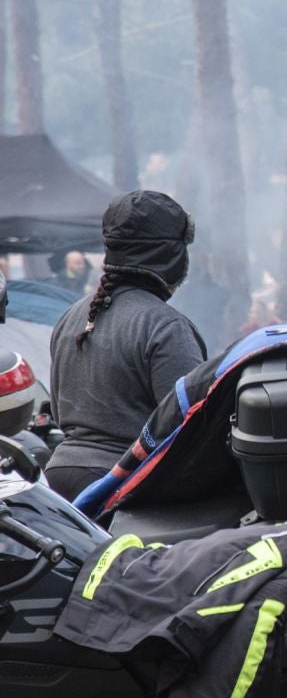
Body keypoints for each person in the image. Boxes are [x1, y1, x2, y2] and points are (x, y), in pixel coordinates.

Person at [47, 192, 208, 502]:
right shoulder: (166, 326)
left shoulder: (71, 316)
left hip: (59, 478)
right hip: (122, 488)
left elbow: (59, 410)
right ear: (172, 255)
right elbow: (191, 431)